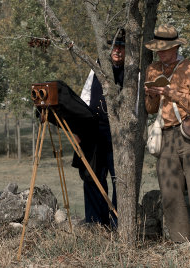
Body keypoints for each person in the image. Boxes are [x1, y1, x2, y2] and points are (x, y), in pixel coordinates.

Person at [144, 24, 190, 242]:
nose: (160, 53)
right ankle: (179, 243)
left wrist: (171, 93)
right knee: (170, 192)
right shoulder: (153, 69)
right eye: (158, 49)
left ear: (175, 47)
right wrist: (153, 95)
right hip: (165, 135)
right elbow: (149, 109)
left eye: (164, 49)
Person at [74, 29, 125, 227]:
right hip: (94, 132)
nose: (118, 51)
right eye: (114, 46)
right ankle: (96, 223)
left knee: (119, 181)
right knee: (93, 176)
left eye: (121, 47)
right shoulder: (96, 67)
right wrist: (78, 128)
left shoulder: (132, 73)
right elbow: (85, 98)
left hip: (119, 135)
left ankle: (118, 225)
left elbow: (136, 108)